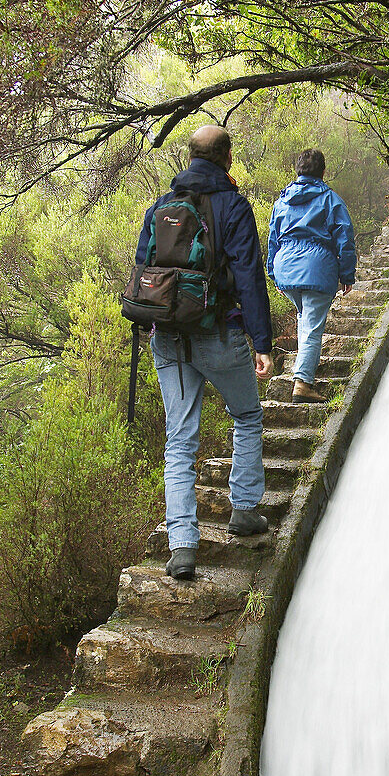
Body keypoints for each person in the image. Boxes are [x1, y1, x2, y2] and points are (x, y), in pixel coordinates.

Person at [136, 125, 273, 580]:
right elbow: (250, 276)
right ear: (227, 158)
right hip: (219, 335)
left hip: (169, 338)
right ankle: (244, 509)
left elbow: (144, 270)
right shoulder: (233, 206)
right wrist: (263, 342)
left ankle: (182, 547)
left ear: (189, 156)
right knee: (247, 416)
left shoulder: (161, 207)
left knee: (180, 440)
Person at [266, 149, 356, 404]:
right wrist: (347, 274)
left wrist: (274, 273)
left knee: (304, 318)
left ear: (298, 171)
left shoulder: (282, 202)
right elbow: (344, 238)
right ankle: (302, 383)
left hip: (286, 268)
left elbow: (273, 238)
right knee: (313, 328)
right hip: (317, 268)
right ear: (323, 172)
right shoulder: (330, 200)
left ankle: (304, 373)